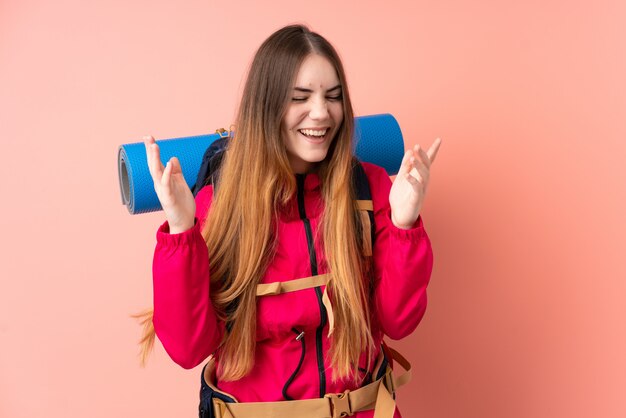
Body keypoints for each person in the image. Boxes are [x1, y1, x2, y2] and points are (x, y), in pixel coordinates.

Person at [140, 24, 441, 418]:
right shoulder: (219, 205)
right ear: (266, 106)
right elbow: (187, 349)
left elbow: (398, 321)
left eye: (333, 97)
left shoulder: (371, 189)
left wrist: (404, 224)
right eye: (300, 98)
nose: (321, 113)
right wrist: (182, 231)